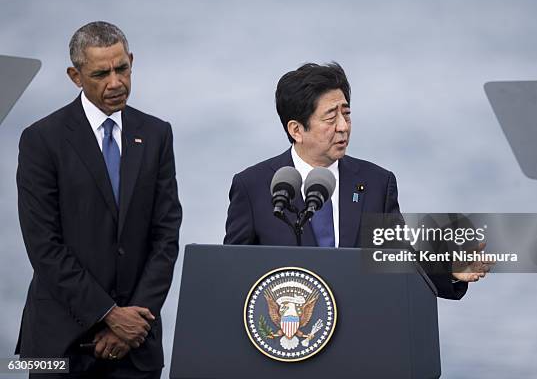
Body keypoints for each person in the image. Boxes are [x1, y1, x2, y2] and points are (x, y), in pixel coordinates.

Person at [224, 62, 489, 299]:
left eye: (346, 114)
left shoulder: (376, 183)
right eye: (331, 117)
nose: (343, 126)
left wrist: (449, 269)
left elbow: (400, 258)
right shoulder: (254, 187)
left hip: (359, 341)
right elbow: (232, 273)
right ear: (296, 130)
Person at [15, 21, 182, 378]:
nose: (115, 82)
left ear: (131, 60)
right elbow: (44, 246)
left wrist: (134, 320)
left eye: (122, 68)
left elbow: (166, 235)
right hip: (58, 343)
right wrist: (109, 314)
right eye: (100, 73)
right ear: (75, 76)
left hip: (137, 344)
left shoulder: (156, 134)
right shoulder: (41, 140)